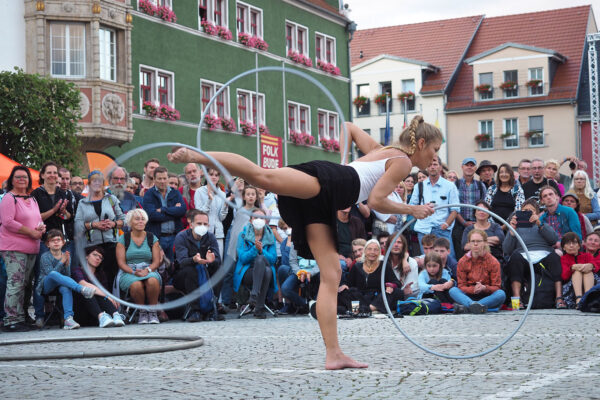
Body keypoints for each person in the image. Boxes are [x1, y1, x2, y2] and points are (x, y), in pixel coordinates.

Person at [167, 114, 439, 370]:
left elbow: (348, 127)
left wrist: (345, 160)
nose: (435, 157)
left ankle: (334, 354)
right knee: (263, 176)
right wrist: (412, 210)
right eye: (435, 149)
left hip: (327, 200)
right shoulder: (402, 161)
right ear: (422, 144)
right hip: (329, 183)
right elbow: (376, 200)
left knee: (332, 273)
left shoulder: (385, 150)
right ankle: (195, 155)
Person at [0, 166, 45, 332]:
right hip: (14, 248)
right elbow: (8, 222)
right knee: (15, 283)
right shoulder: (8, 198)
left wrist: (40, 229)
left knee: (25, 284)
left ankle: (21, 316)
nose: (21, 180)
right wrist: (31, 232)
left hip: (32, 247)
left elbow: (38, 219)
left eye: (24, 177)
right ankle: (11, 319)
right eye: (18, 177)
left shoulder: (31, 199)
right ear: (12, 179)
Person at [31, 161, 75, 326]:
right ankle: (40, 315)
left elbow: (69, 217)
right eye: (49, 172)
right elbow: (35, 218)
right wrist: (54, 210)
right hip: (43, 240)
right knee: (41, 277)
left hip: (62, 240)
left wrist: (64, 213)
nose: (52, 175)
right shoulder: (36, 194)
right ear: (42, 175)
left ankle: (66, 315)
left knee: (66, 273)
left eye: (55, 173)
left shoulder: (63, 193)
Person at [503, 199, 565, 309]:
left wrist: (539, 224)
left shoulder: (542, 225)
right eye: (524, 210)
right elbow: (507, 249)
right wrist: (512, 230)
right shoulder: (516, 228)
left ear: (536, 213)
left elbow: (553, 240)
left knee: (555, 257)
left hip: (544, 255)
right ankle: (517, 301)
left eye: (530, 211)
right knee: (514, 259)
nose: (527, 213)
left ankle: (559, 298)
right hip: (523, 256)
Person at [75, 170, 125, 291]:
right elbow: (77, 226)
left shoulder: (111, 199)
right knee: (95, 278)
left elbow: (124, 221)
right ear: (89, 184)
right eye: (94, 181)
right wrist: (93, 225)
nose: (97, 184)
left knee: (112, 277)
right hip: (92, 247)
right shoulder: (82, 203)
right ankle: (98, 306)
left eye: (100, 181)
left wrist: (113, 224)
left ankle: (113, 305)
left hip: (111, 244)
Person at [37, 230, 96, 329]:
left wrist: (67, 264)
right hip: (45, 286)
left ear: (63, 242)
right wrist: (62, 263)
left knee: (66, 288)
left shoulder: (66, 255)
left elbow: (67, 276)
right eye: (53, 240)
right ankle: (81, 289)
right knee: (53, 273)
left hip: (61, 285)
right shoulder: (45, 256)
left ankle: (68, 319)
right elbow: (50, 275)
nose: (56, 242)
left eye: (58, 240)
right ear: (48, 244)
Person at [173, 209, 223, 322]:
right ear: (191, 225)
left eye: (205, 224)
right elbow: (182, 261)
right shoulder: (181, 237)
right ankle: (195, 310)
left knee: (219, 269)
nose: (202, 226)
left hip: (205, 272)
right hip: (183, 276)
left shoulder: (210, 237)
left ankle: (212, 308)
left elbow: (218, 259)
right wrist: (194, 260)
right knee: (191, 271)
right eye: (199, 223)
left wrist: (211, 260)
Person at [115, 209, 162, 324]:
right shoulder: (123, 239)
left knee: (152, 280)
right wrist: (133, 272)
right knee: (136, 284)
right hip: (129, 271)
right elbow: (121, 263)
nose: (141, 222)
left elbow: (157, 261)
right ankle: (142, 313)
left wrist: (148, 270)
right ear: (130, 222)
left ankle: (152, 312)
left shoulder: (152, 238)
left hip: (149, 268)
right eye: (137, 219)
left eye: (143, 219)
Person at [409, 155, 460, 259]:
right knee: (427, 261)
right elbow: (411, 207)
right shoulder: (419, 186)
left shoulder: (450, 186)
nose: (432, 167)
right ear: (427, 168)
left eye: (435, 164)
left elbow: (455, 209)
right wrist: (422, 207)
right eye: (430, 164)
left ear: (440, 167)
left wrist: (446, 224)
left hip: (442, 230)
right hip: (424, 230)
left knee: (447, 261)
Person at [338, 239, 403, 316]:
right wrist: (345, 285)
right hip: (361, 297)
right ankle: (360, 309)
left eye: (376, 250)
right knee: (345, 291)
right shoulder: (357, 266)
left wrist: (391, 286)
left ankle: (368, 308)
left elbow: (396, 282)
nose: (372, 252)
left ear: (379, 252)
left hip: (377, 298)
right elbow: (348, 283)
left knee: (397, 292)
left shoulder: (384, 265)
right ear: (365, 251)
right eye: (369, 249)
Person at [220, 185, 260, 309]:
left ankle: (247, 302)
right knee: (228, 271)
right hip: (234, 241)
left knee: (245, 271)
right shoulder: (239, 207)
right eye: (248, 194)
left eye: (253, 194)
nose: (251, 196)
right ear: (243, 196)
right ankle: (226, 301)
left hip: (248, 245)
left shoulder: (258, 211)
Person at [233, 209, 278, 319]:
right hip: (247, 271)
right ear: (250, 220)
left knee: (262, 261)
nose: (259, 220)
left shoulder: (270, 236)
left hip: (264, 269)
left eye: (261, 218)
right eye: (255, 217)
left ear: (266, 221)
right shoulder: (242, 235)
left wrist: (262, 250)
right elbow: (242, 258)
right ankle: (259, 307)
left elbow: (273, 259)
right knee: (264, 268)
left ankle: (254, 295)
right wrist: (254, 249)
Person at [449, 229, 506, 313]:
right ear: (469, 243)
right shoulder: (462, 261)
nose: (475, 244)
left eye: (479, 241)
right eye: (473, 241)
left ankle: (470, 307)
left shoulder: (493, 261)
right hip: (468, 296)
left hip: (488, 296)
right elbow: (461, 286)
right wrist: (473, 289)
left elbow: (496, 286)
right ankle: (477, 306)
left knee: (501, 294)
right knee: (453, 290)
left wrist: (484, 288)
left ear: (485, 243)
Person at [71, 246, 125, 327]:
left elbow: (103, 294)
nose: (98, 258)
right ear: (86, 256)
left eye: (100, 257)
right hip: (81, 310)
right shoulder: (77, 270)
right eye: (95, 255)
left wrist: (107, 296)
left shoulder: (101, 274)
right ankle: (102, 317)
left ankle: (116, 315)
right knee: (88, 291)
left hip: (98, 312)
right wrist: (108, 296)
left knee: (100, 294)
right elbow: (83, 284)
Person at [143, 166, 186, 262]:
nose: (162, 181)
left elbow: (182, 210)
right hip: (158, 238)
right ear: (154, 179)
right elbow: (151, 215)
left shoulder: (175, 192)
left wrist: (163, 210)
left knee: (175, 265)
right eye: (159, 178)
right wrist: (174, 212)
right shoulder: (149, 194)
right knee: (159, 265)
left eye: (164, 178)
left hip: (175, 237)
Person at [453, 157, 487, 259]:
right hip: (459, 225)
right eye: (467, 165)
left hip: (476, 225)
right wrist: (463, 222)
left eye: (472, 165)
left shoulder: (481, 186)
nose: (469, 167)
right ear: (462, 167)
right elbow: (454, 206)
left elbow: (484, 207)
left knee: (477, 254)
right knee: (460, 255)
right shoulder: (455, 185)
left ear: (475, 168)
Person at [194, 167, 228, 257]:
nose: (214, 177)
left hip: (218, 234)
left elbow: (221, 217)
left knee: (218, 261)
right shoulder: (199, 191)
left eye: (216, 175)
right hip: (203, 232)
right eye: (211, 174)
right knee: (204, 260)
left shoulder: (222, 194)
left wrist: (225, 206)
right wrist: (209, 200)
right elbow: (199, 214)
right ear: (206, 175)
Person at [560, 232, 598, 308]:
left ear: (579, 246)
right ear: (563, 247)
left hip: (590, 282)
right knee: (577, 272)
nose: (571, 246)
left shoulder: (587, 255)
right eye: (568, 243)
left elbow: (596, 268)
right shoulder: (563, 258)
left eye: (574, 243)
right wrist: (572, 267)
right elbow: (564, 277)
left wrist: (590, 265)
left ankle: (587, 298)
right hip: (572, 290)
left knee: (587, 271)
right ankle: (579, 299)